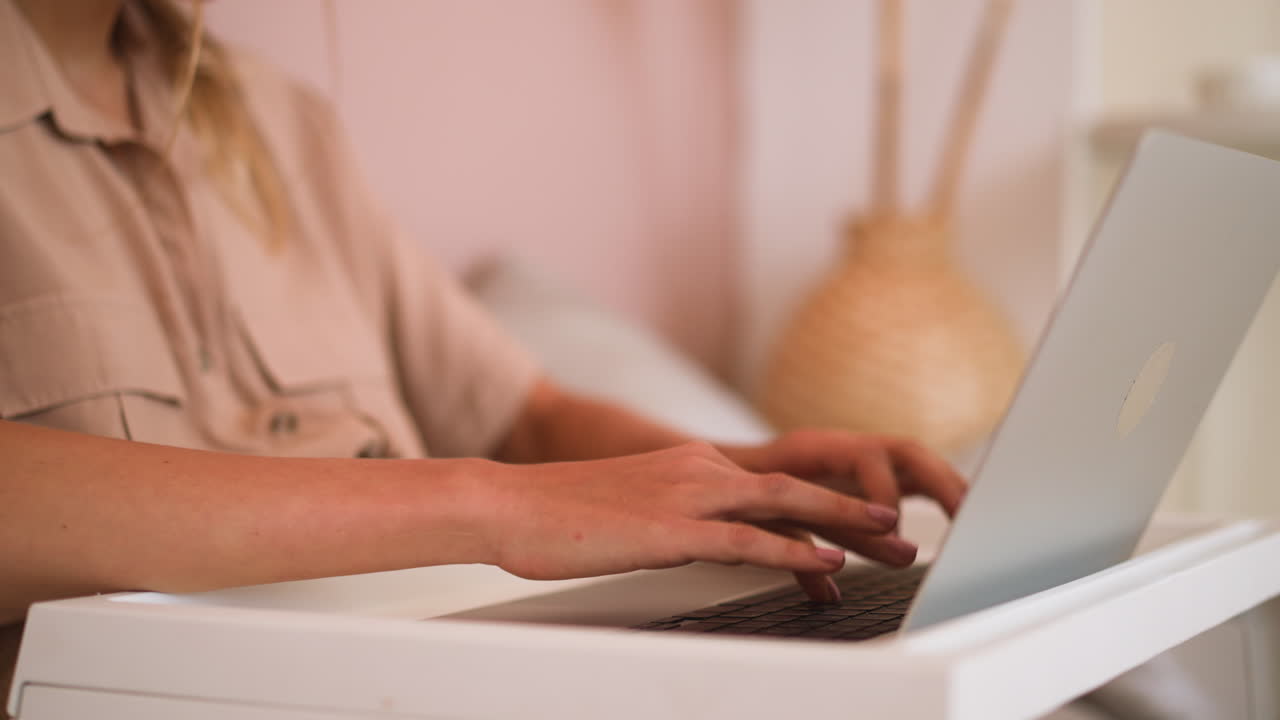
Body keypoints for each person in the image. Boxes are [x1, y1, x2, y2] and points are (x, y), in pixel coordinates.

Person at [0, 0, 966, 695]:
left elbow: (523, 417)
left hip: (426, 667)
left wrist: (741, 478)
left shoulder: (274, 118)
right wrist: (494, 505)